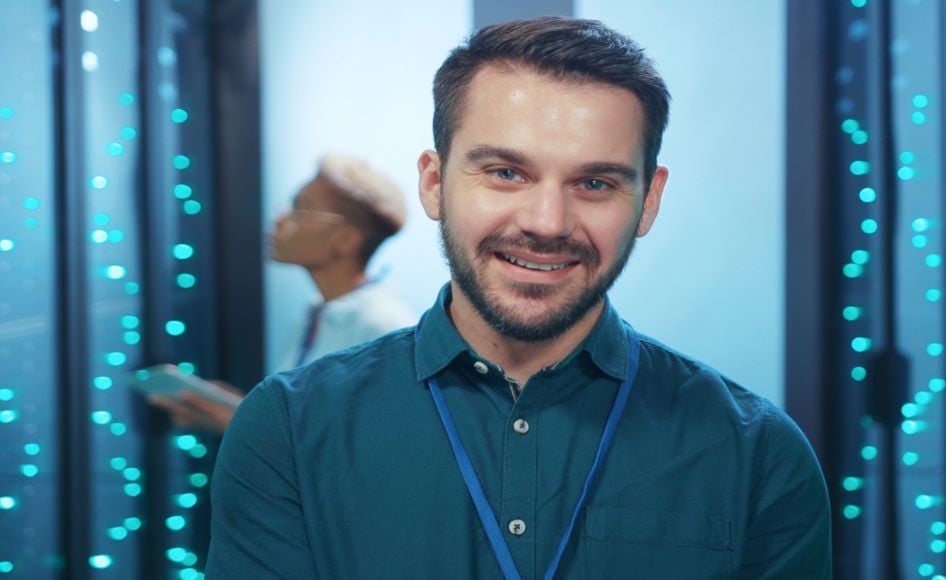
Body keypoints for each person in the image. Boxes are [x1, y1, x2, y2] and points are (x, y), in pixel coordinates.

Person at [207, 16, 831, 579]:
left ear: (649, 199)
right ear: (433, 182)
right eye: (506, 173)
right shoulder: (288, 430)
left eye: (595, 182)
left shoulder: (759, 454)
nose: (548, 221)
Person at [150, 154, 417, 434]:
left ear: (345, 239)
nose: (279, 220)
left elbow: (374, 455)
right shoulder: (317, 313)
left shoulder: (385, 326)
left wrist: (244, 428)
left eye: (299, 210)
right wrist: (247, 411)